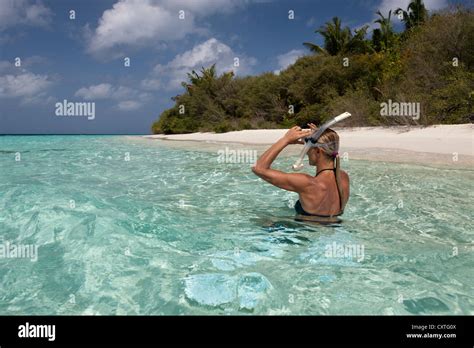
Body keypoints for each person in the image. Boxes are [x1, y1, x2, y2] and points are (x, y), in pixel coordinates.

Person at [252, 124, 350, 223]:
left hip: (307, 234)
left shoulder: (307, 183)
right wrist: (320, 136)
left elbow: (258, 168)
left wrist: (285, 140)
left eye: (308, 148)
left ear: (317, 151)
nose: (306, 152)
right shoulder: (343, 177)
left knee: (261, 222)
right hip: (335, 229)